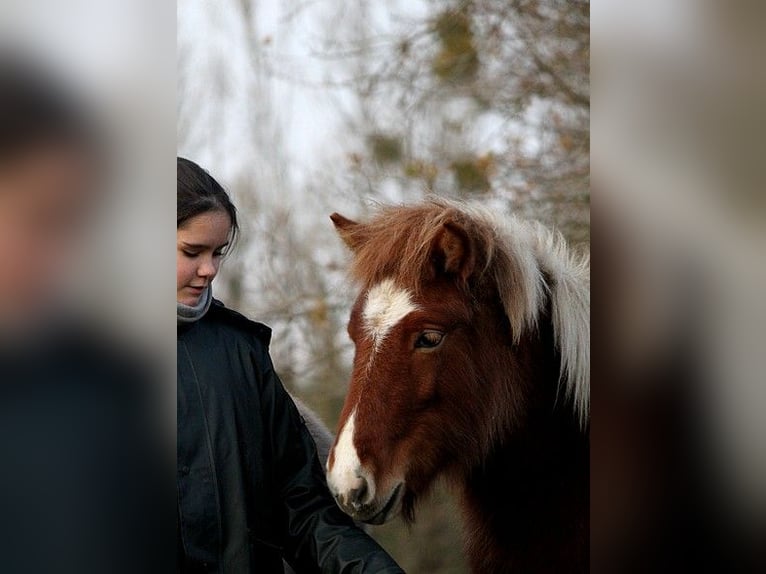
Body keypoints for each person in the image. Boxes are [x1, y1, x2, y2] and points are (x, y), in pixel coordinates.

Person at [176, 157, 404, 573]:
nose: (209, 270)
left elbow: (302, 510)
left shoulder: (241, 354)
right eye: (192, 251)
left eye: (218, 253)